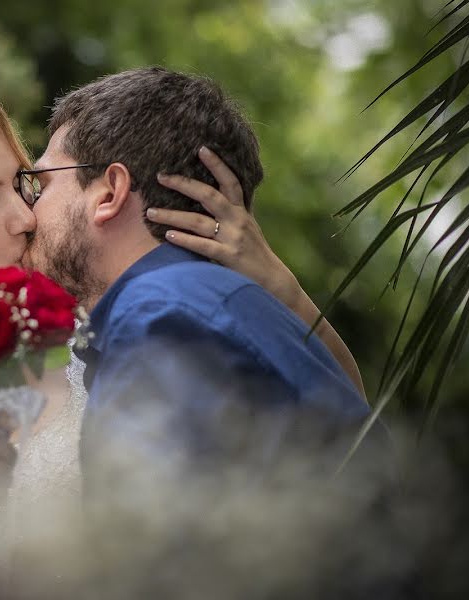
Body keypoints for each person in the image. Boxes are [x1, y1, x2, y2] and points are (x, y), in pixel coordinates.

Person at [0, 68, 366, 600]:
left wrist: (278, 286)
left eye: (24, 186)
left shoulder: (103, 336)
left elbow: (340, 404)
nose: (24, 218)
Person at [22, 66, 375, 598]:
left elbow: (155, 565)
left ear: (109, 192)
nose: (28, 211)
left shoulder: (163, 317)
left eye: (42, 183)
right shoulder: (212, 305)